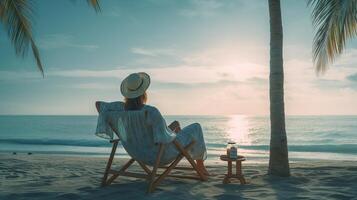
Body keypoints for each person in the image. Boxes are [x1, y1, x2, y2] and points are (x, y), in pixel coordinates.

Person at [117, 72, 209, 175]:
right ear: (143, 93)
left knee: (175, 124)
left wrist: (172, 128)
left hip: (137, 154)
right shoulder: (150, 112)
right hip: (160, 155)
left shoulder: (120, 113)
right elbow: (163, 138)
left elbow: (99, 104)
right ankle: (200, 166)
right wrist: (175, 134)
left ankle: (177, 132)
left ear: (127, 94)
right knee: (196, 127)